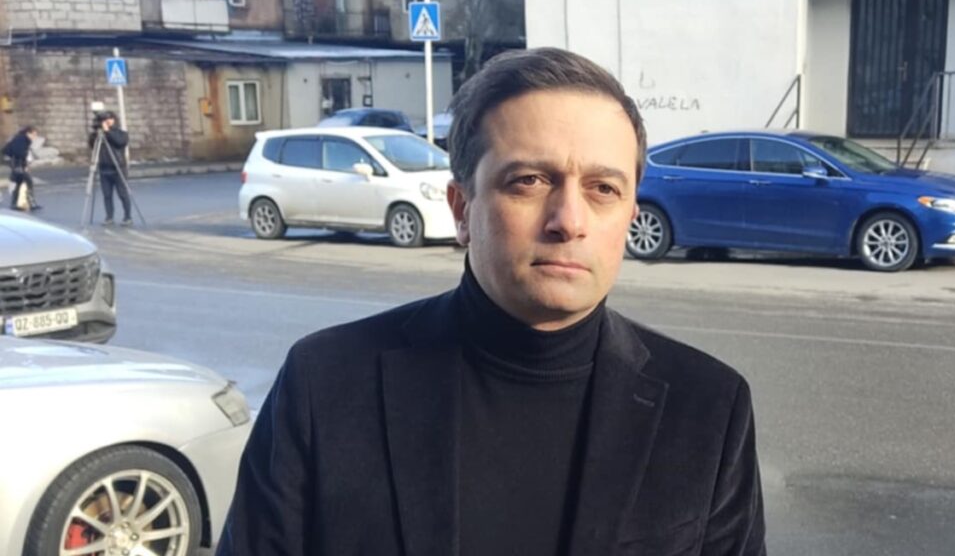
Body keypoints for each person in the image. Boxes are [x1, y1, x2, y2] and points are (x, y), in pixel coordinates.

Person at [218, 47, 766, 556]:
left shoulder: (708, 408)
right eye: (529, 181)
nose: (569, 221)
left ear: (629, 216)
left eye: (603, 189)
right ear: (461, 208)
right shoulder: (325, 384)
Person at [88, 112, 132, 226]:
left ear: (114, 120)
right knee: (107, 195)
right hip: (104, 168)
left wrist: (108, 131)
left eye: (109, 119)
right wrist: (95, 133)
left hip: (118, 168)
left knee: (122, 194)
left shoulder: (121, 133)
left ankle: (127, 217)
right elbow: (92, 145)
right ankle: (109, 217)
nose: (107, 121)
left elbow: (119, 142)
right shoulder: (99, 135)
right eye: (105, 120)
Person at [2, 126, 41, 211]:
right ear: (28, 133)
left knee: (18, 182)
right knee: (28, 181)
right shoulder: (22, 139)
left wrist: (24, 165)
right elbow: (19, 153)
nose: (35, 137)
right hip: (15, 162)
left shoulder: (23, 139)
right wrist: (23, 165)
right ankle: (31, 204)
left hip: (15, 162)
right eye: (34, 134)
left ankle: (14, 204)